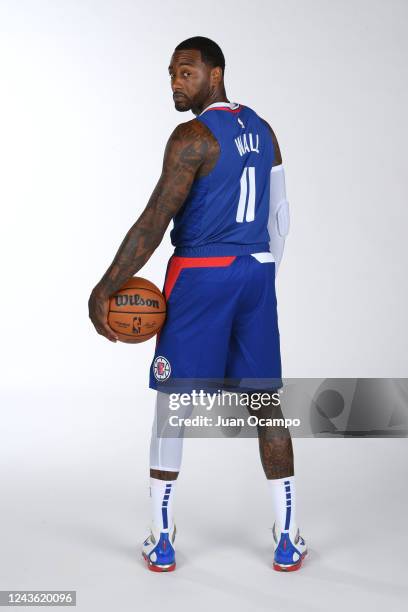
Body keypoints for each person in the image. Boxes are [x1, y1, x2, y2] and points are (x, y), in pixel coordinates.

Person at [88, 36, 307, 573]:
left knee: (174, 401)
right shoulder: (264, 129)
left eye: (186, 72)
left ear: (216, 72)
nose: (175, 83)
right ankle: (288, 535)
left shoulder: (191, 137)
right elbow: (280, 218)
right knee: (265, 402)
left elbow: (154, 220)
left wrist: (106, 285)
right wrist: (261, 270)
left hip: (201, 274)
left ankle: (162, 540)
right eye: (171, 74)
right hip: (256, 275)